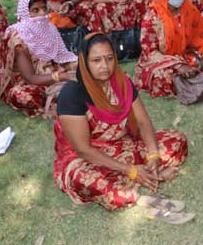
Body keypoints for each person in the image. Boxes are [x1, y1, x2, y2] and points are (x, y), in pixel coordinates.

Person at [54, 33, 188, 212]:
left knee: (176, 139)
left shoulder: (121, 81)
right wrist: (129, 170)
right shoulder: (72, 94)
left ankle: (146, 174)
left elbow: (142, 121)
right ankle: (139, 185)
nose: (104, 66)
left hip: (123, 147)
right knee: (99, 185)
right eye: (96, 60)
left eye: (109, 58)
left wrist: (154, 155)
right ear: (84, 61)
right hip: (86, 159)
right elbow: (83, 150)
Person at [134, 0, 203, 99]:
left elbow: (202, 36)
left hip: (188, 55)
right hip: (163, 61)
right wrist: (178, 66)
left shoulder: (189, 9)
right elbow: (150, 52)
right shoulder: (152, 16)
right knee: (162, 77)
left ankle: (197, 83)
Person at [0, 0, 78, 117]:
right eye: (35, 10)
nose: (41, 14)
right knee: (22, 95)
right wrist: (63, 76)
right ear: (25, 13)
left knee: (85, 67)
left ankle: (65, 93)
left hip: (54, 71)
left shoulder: (49, 28)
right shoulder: (19, 37)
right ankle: (62, 97)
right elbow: (30, 78)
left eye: (44, 8)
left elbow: (62, 57)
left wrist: (74, 69)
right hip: (31, 83)